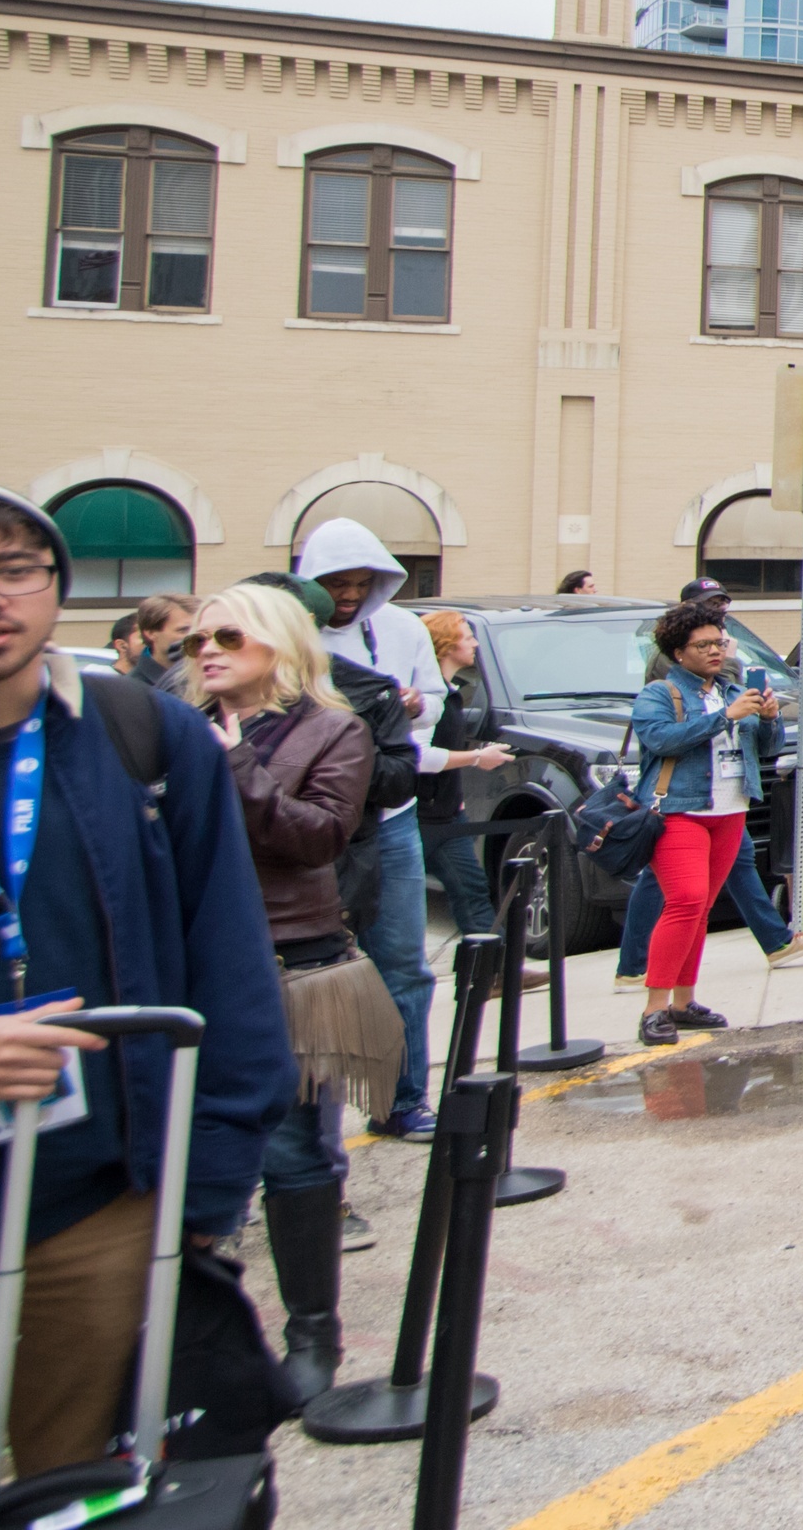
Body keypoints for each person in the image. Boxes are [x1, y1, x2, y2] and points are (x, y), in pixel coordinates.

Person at [0, 481, 294, 1498]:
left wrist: (206, 1191)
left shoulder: (144, 740)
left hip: (96, 1203)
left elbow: (227, 972)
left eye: (15, 571)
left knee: (83, 1494)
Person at [185, 579, 395, 1408]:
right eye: (199, 639)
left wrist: (233, 759)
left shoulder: (331, 729)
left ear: (278, 644)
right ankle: (199, 1335)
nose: (207, 652)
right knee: (188, 1156)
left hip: (291, 964)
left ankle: (313, 1333)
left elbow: (316, 838)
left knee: (292, 1150)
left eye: (229, 638)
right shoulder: (171, 727)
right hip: (190, 965)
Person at [290, 522, 450, 1145]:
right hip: (313, 827)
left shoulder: (405, 630)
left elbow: (438, 701)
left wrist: (412, 705)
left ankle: (402, 1100)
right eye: (336, 583)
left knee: (404, 966)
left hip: (388, 818)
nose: (351, 594)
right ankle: (308, 1138)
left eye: (363, 582)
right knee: (313, 976)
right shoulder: (288, 635)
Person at [627, 601, 782, 1047]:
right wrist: (722, 719)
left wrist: (768, 719)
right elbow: (659, 739)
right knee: (685, 902)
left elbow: (766, 748)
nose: (715, 651)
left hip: (729, 810)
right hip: (680, 811)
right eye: (703, 645)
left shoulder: (734, 691)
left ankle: (683, 1002)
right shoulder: (660, 694)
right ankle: (654, 1009)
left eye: (719, 642)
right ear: (678, 652)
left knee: (700, 911)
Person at [412, 612, 515, 946]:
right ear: (445, 645)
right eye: (467, 636)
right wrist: (476, 758)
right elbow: (418, 756)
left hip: (446, 815)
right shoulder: (429, 699)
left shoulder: (450, 691)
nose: (474, 643)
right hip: (419, 818)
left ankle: (495, 967)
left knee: (471, 889)